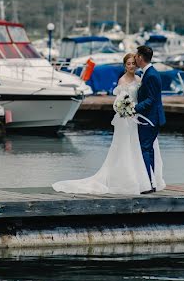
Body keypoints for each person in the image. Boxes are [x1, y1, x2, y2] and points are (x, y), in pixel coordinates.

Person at [52, 53, 153, 195]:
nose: (131, 66)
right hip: (125, 119)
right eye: (128, 64)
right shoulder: (122, 81)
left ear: (136, 65)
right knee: (123, 148)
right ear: (125, 66)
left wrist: (134, 110)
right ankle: (124, 181)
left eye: (133, 64)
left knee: (135, 148)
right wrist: (125, 109)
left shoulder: (139, 79)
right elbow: (118, 102)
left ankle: (138, 180)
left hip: (135, 118)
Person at [134, 45, 166, 192]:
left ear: (140, 57)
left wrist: (134, 108)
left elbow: (151, 99)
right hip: (151, 118)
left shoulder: (151, 75)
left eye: (136, 56)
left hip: (150, 118)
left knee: (144, 149)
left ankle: (147, 183)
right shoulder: (148, 73)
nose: (135, 58)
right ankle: (151, 182)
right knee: (149, 150)